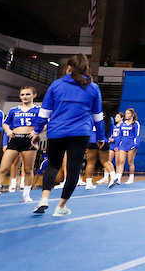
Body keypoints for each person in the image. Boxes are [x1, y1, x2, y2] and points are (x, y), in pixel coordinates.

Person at [31, 53, 104, 216]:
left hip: (57, 131)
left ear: (68, 68)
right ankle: (61, 206)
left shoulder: (56, 85)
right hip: (80, 133)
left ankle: (44, 198)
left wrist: (36, 131)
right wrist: (100, 136)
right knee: (74, 169)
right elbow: (98, 116)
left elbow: (44, 112)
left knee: (53, 165)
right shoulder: (93, 88)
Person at [0, 86, 39, 204]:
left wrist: (36, 132)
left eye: (28, 94)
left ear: (34, 95)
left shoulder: (38, 110)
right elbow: (5, 123)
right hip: (15, 139)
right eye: (22, 94)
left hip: (29, 140)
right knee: (3, 168)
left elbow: (46, 124)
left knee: (28, 169)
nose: (25, 97)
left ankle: (26, 195)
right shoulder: (14, 110)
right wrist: (8, 131)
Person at [83, 109, 113, 189]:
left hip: (91, 140)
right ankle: (113, 176)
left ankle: (88, 183)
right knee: (105, 161)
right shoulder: (109, 118)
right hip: (104, 140)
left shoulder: (91, 117)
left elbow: (87, 128)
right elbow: (110, 132)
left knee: (90, 163)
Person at [113, 107, 140, 185]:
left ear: (132, 115)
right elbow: (120, 135)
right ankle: (118, 178)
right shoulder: (123, 124)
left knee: (130, 162)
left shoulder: (135, 123)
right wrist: (117, 145)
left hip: (131, 145)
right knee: (121, 161)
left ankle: (131, 178)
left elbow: (137, 135)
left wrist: (136, 145)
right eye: (126, 113)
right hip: (123, 145)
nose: (127, 115)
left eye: (128, 113)